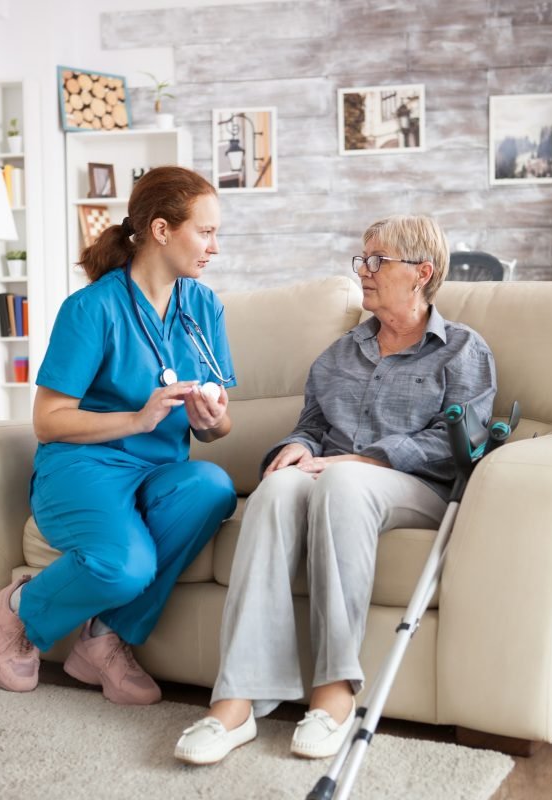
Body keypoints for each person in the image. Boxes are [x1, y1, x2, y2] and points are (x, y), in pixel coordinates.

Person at [174, 214, 497, 764]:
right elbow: (313, 427)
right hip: (335, 478)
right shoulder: (340, 353)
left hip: (414, 490)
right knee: (276, 488)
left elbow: (462, 443)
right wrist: (295, 450)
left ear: (422, 272)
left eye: (377, 261)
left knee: (344, 480)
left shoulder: (462, 350)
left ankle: (334, 695)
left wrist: (361, 458)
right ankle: (235, 702)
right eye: (361, 260)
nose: (363, 272)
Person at [0, 166, 237, 705]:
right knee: (125, 566)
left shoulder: (203, 307)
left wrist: (210, 421)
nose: (215, 246)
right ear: (163, 230)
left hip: (159, 471)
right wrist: (136, 420)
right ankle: (17, 610)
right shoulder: (92, 309)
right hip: (82, 468)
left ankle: (101, 639)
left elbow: (222, 426)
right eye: (206, 231)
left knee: (213, 485)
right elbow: (48, 420)